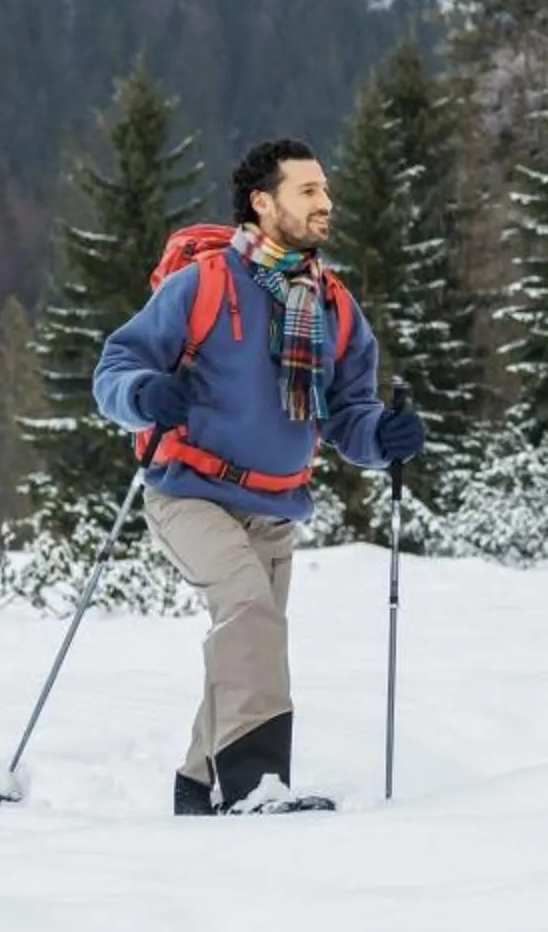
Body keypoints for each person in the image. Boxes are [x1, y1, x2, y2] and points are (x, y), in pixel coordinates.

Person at [95, 137, 426, 813]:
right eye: (308, 191)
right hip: (187, 492)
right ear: (262, 203)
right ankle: (255, 788)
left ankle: (199, 784)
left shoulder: (332, 306)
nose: (325, 203)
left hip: (276, 508)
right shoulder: (206, 284)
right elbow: (114, 370)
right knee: (248, 612)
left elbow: (349, 416)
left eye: (325, 191)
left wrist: (383, 437)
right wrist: (144, 394)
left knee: (249, 639)